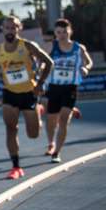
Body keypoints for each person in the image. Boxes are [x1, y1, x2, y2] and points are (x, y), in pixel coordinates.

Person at [0, 16, 54, 179]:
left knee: (33, 134)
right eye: (7, 28)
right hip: (9, 93)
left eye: (13, 27)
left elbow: (49, 62)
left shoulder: (28, 46)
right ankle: (16, 166)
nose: (10, 31)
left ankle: (38, 110)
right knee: (11, 129)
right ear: (2, 29)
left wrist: (39, 84)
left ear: (19, 28)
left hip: (29, 93)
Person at [43, 18, 92, 162]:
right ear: (55, 34)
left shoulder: (79, 48)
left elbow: (89, 61)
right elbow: (39, 60)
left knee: (63, 120)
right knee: (52, 120)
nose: (62, 35)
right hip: (54, 88)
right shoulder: (50, 47)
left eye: (65, 31)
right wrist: (40, 68)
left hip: (70, 87)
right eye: (59, 32)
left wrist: (85, 68)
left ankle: (56, 152)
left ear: (70, 31)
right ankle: (51, 142)